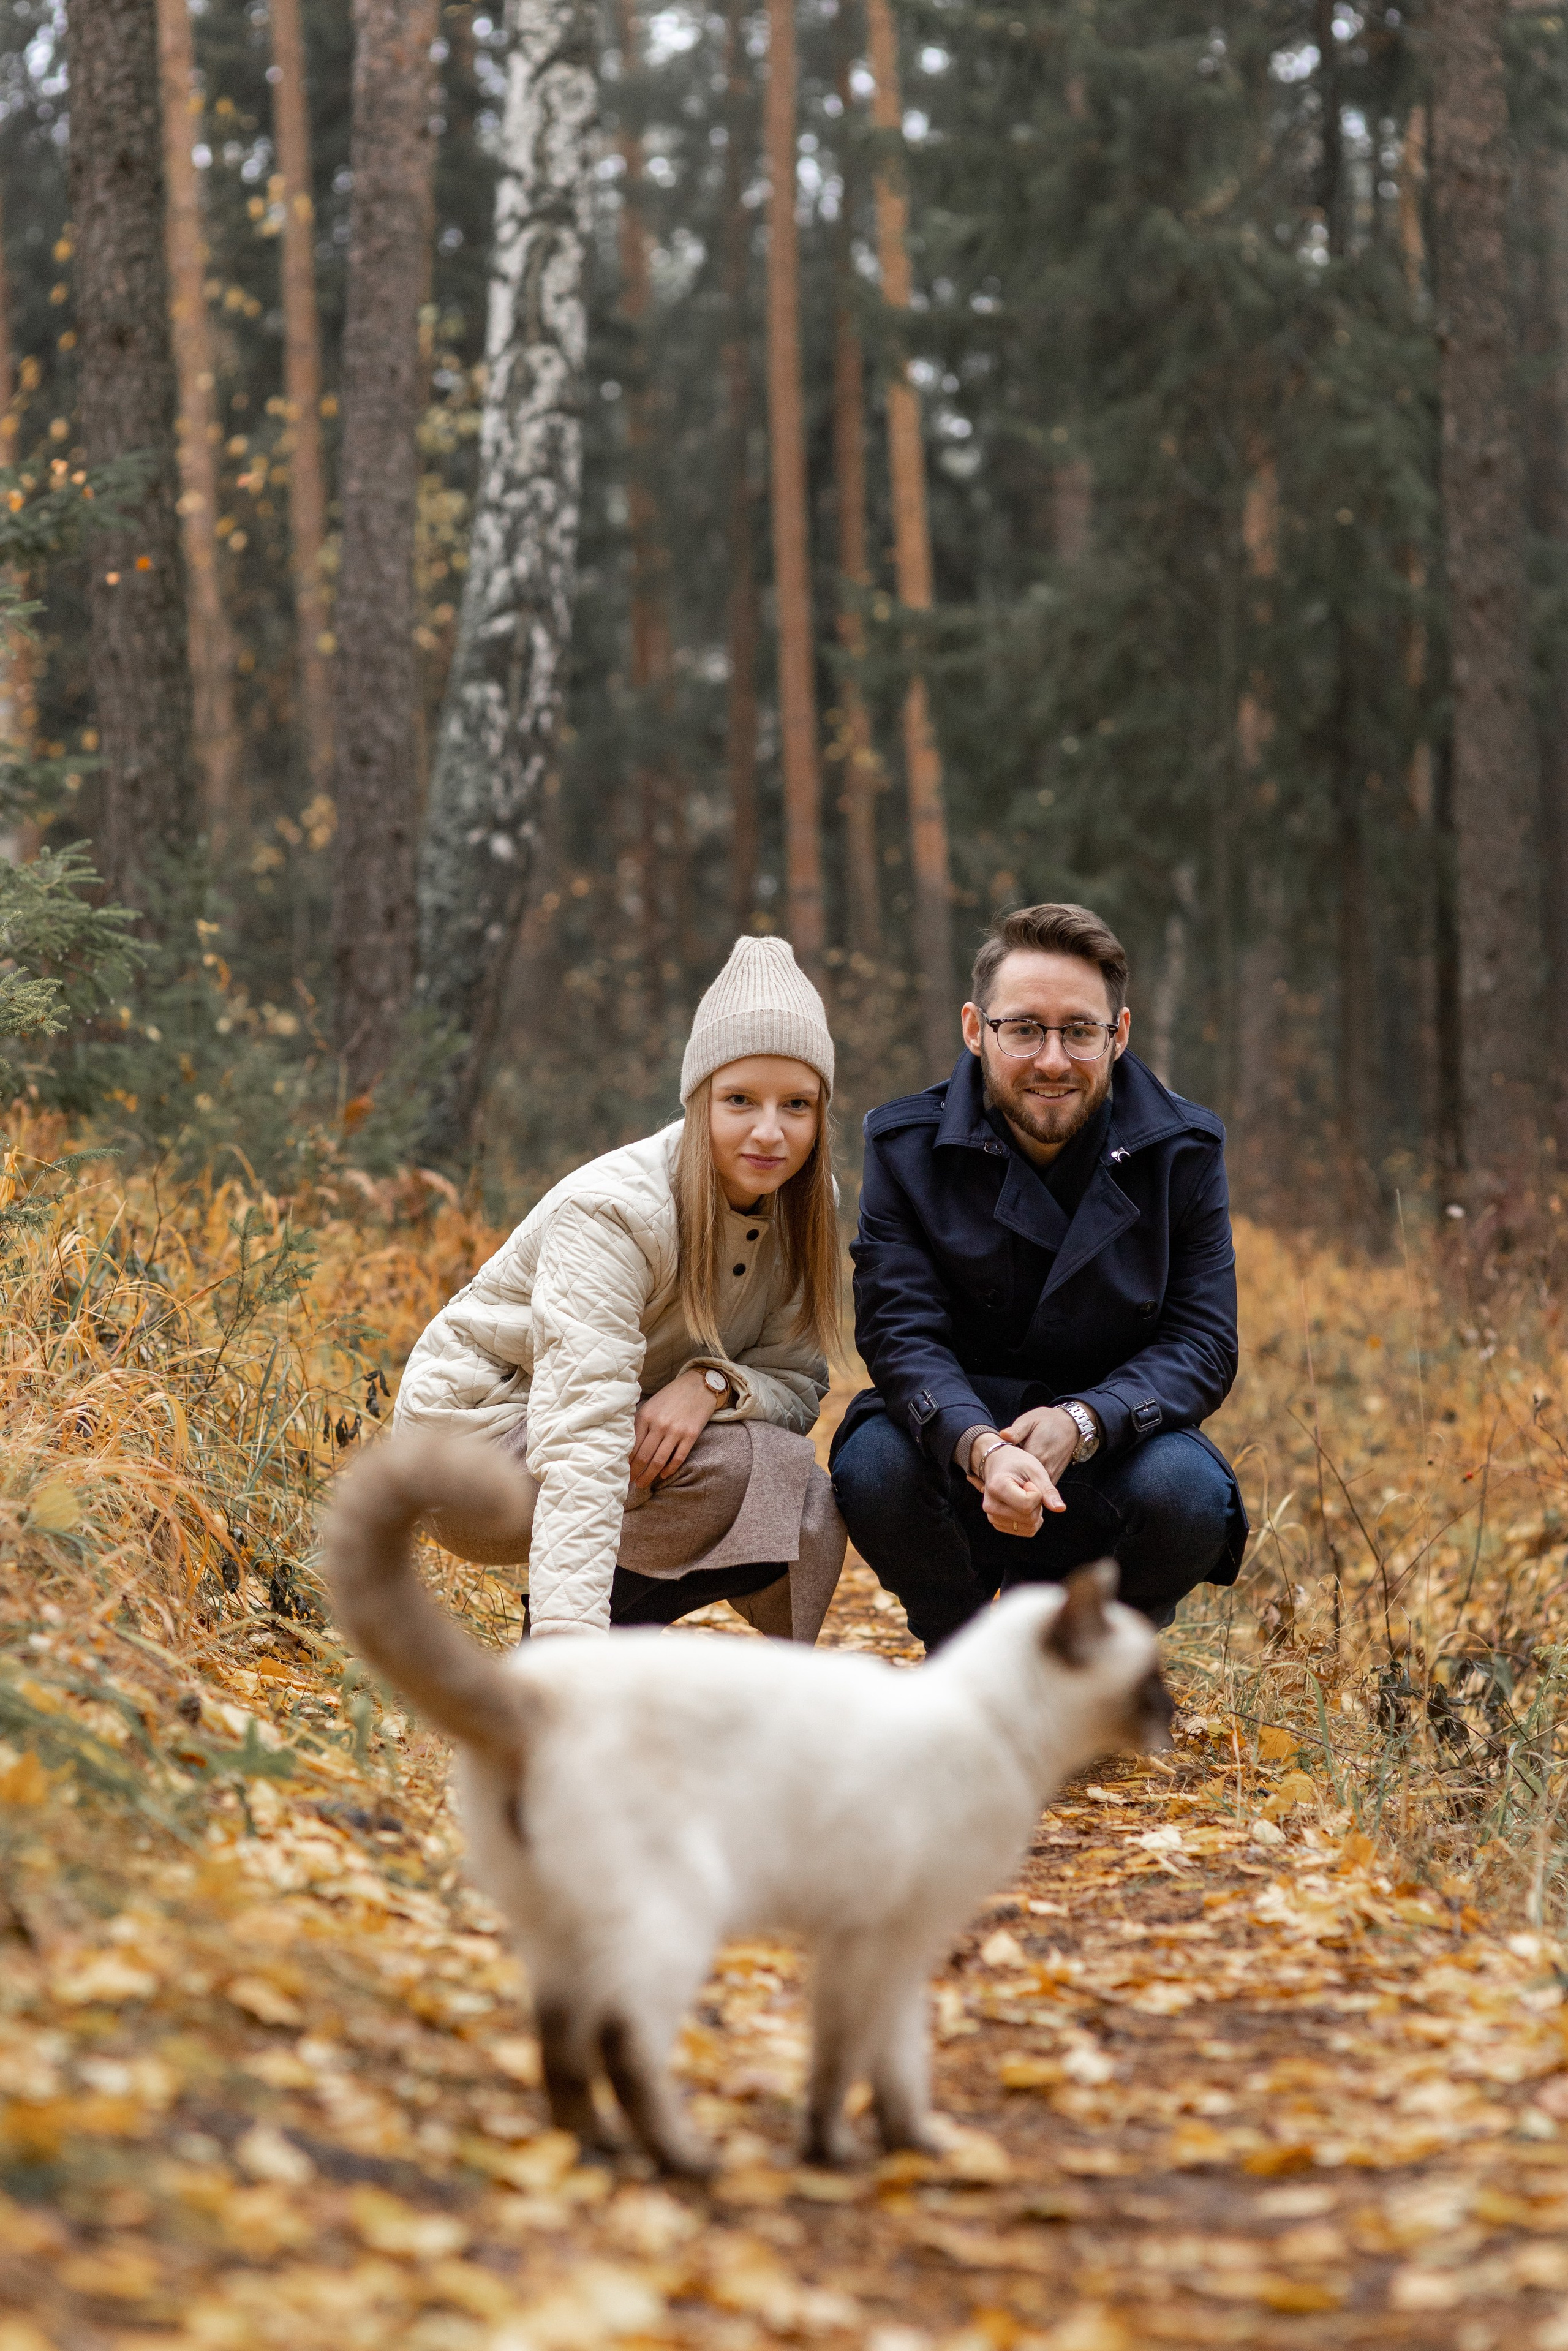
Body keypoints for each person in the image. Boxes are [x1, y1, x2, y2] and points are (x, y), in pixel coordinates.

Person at [394, 936, 847, 1640]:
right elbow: (583, 1431)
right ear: (699, 1102)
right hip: (472, 1449)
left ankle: (748, 1695)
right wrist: (563, 1639)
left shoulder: (804, 1204)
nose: (770, 1131)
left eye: (796, 1104)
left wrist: (712, 1384)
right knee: (744, 1467)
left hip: (593, 1434)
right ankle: (569, 1659)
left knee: (804, 1496)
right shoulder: (616, 1211)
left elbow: (795, 1383)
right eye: (739, 1100)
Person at [830, 901, 1246, 1651]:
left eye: (1079, 1030)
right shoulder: (904, 1144)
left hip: (1116, 1449)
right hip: (959, 1444)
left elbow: (1203, 1342)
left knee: (1189, 1494)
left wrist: (1082, 1422)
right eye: (1022, 1028)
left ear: (1117, 1036)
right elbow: (898, 1330)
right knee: (871, 1461)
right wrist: (981, 1446)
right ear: (973, 1029)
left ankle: (1094, 1660)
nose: (1052, 1060)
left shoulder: (1184, 1149)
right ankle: (957, 1656)